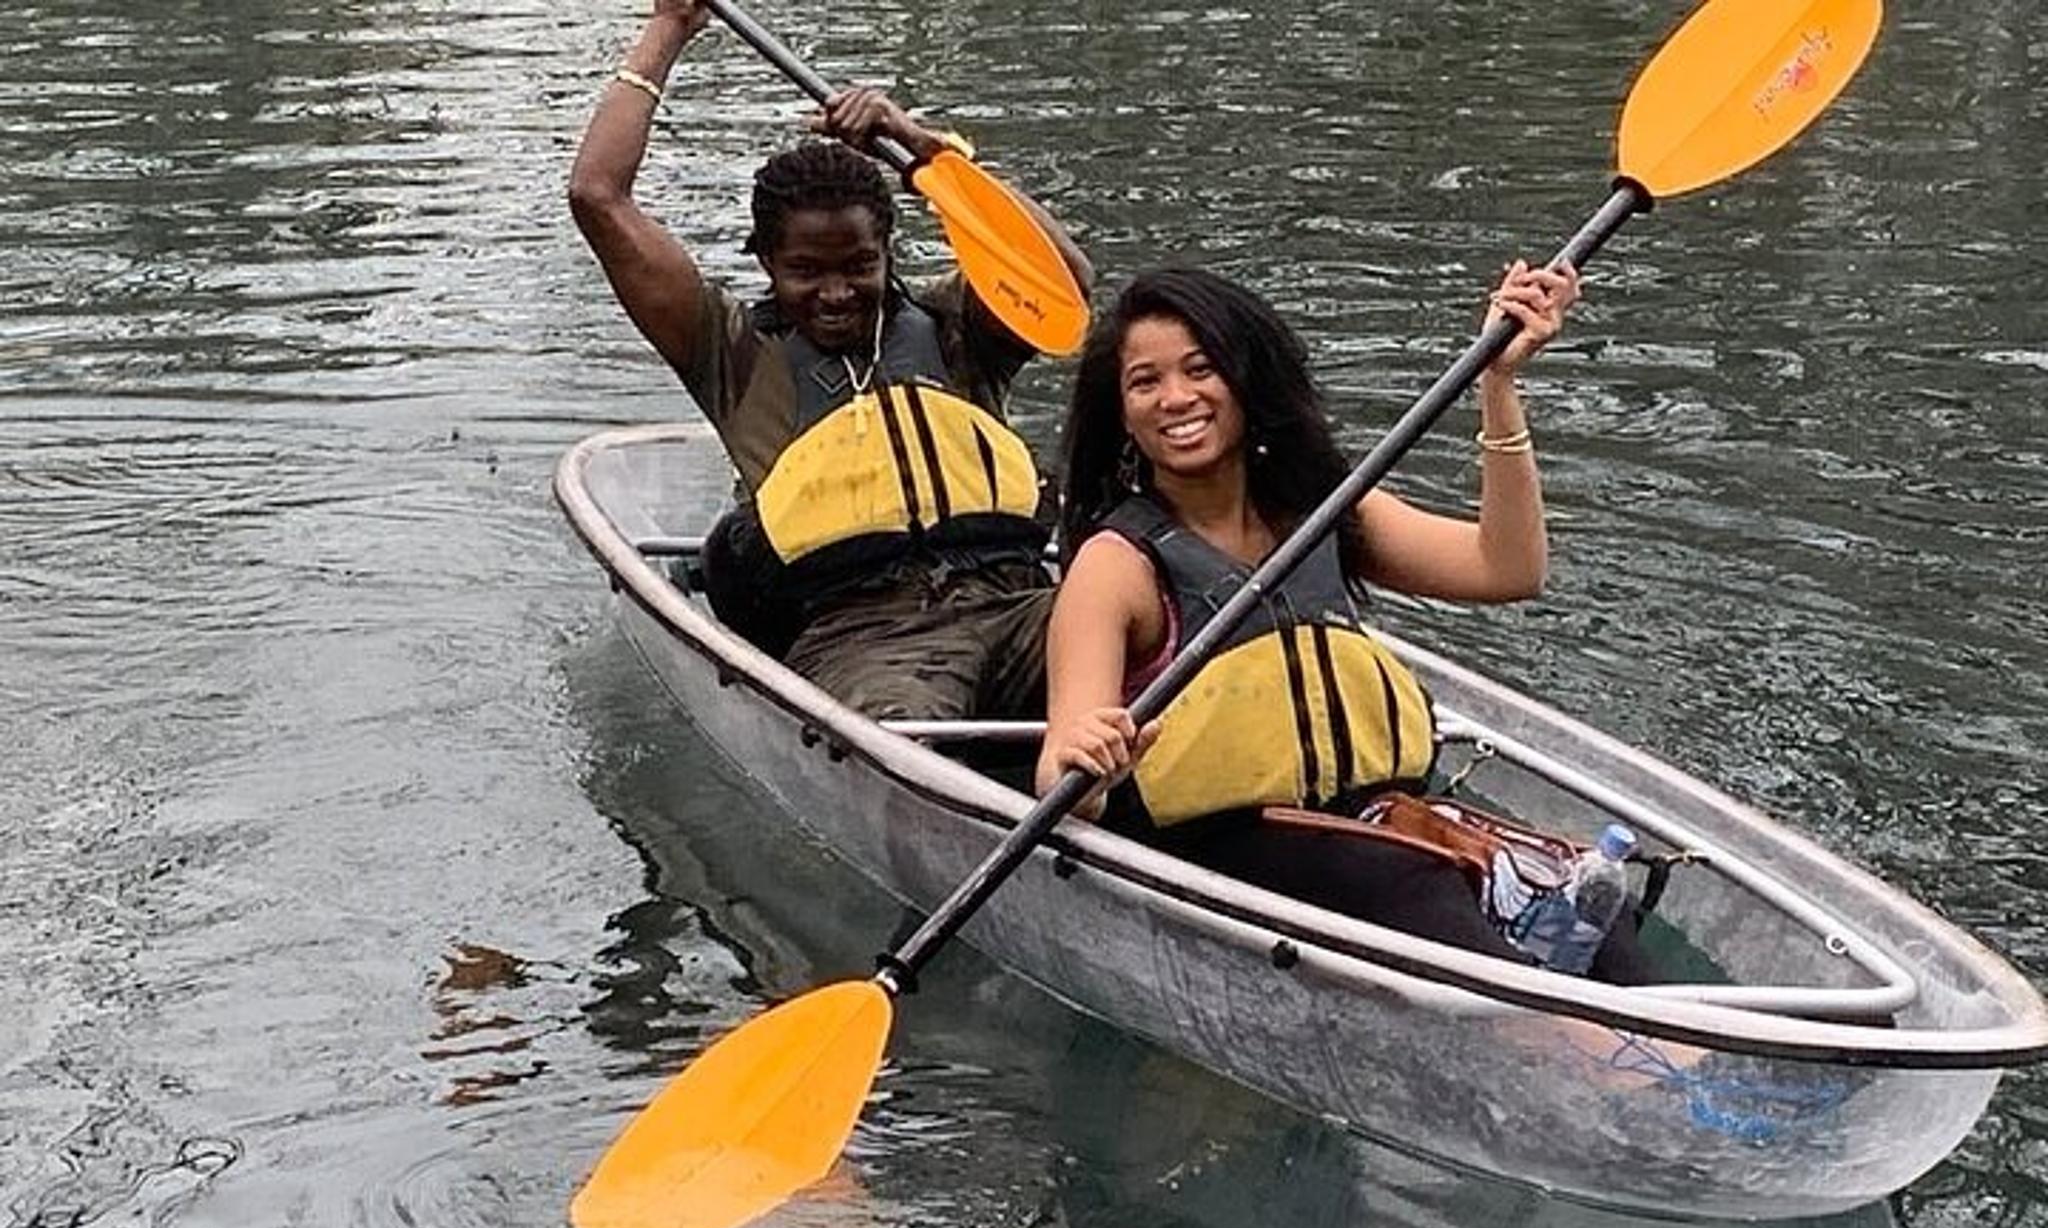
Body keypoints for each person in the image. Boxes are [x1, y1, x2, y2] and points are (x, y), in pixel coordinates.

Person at [1034, 264, 1661, 984]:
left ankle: (1703, 1059)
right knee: (1407, 882)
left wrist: (1498, 385)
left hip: (1369, 824)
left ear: (1248, 380)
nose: (1176, 398)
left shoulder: (1326, 514)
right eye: (1145, 382)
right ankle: (1592, 1066)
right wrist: (1088, 758)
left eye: (1200, 369)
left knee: (1585, 898)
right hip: (1220, 848)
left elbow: (1506, 569)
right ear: (1121, 412)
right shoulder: (1115, 566)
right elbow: (1064, 779)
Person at [568, 0, 1093, 720]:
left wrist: (924, 153)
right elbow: (598, 196)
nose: (837, 292)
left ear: (887, 253)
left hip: (1019, 602)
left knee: (1148, 661)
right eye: (806, 271)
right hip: (863, 635)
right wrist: (668, 31)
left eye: (859, 264)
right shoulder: (730, 350)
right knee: (909, 733)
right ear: (767, 265)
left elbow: (1067, 280)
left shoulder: (956, 326)